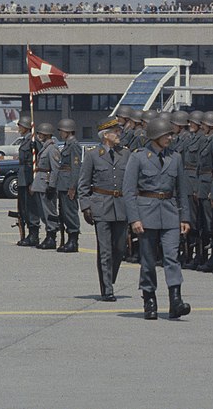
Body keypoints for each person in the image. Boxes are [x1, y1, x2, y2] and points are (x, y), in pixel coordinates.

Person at [123, 118, 192, 320]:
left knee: (172, 257)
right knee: (148, 261)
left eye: (171, 134)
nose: (170, 138)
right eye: (167, 135)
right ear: (155, 136)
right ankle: (149, 300)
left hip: (170, 213)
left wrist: (185, 217)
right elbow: (128, 191)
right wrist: (134, 219)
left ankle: (176, 301)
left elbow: (182, 190)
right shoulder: (139, 157)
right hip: (146, 213)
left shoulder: (176, 158)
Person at [78, 116, 130, 302]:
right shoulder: (93, 155)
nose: (119, 134)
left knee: (119, 249)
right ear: (105, 135)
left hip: (122, 207)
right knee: (105, 250)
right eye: (116, 132)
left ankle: (110, 278)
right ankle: (107, 288)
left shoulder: (126, 154)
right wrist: (85, 207)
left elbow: (131, 183)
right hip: (101, 206)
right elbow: (83, 184)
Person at [31, 122, 60, 250]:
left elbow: (55, 168)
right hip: (40, 182)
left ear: (46, 134)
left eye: (40, 134)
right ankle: (48, 234)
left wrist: (52, 185)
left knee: (49, 211)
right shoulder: (44, 147)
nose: (38, 135)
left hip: (46, 182)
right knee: (43, 212)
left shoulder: (52, 148)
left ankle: (51, 236)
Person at [56, 118, 82, 253]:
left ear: (68, 131)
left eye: (62, 131)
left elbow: (76, 167)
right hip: (63, 183)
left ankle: (73, 240)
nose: (60, 133)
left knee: (70, 212)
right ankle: (68, 240)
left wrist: (73, 186)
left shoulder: (74, 145)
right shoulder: (67, 144)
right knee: (64, 213)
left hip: (68, 184)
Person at [15, 114, 42, 247]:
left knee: (32, 208)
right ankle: (28, 234)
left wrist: (35, 146)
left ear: (26, 127)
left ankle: (34, 235)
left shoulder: (33, 140)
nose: (19, 128)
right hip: (22, 178)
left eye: (20, 125)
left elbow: (39, 156)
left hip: (29, 178)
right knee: (24, 208)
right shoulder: (24, 140)